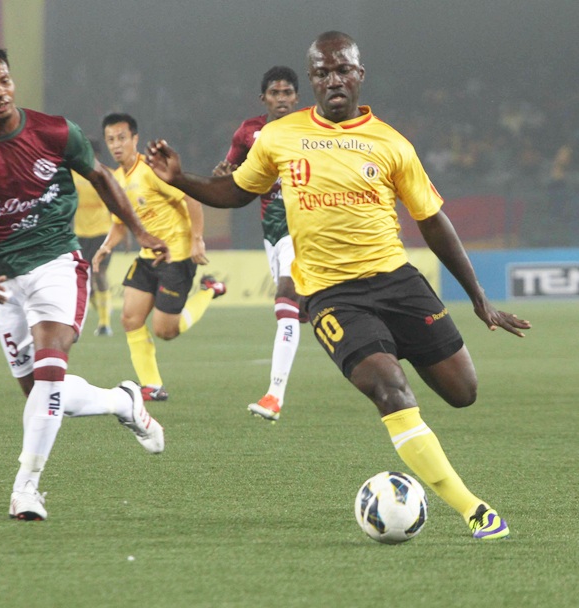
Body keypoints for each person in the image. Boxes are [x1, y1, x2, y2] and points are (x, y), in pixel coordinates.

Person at [145, 31, 532, 540]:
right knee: (391, 390)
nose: (334, 80)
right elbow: (237, 191)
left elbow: (433, 220)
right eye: (323, 72)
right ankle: (474, 509)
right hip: (332, 294)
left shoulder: (392, 142)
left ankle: (412, 381)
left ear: (359, 74)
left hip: (397, 280)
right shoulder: (280, 136)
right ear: (312, 80)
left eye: (342, 70)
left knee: (464, 392)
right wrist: (180, 178)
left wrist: (479, 297)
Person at [0, 43, 169, 522]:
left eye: (4, 81)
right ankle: (121, 401)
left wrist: (139, 229)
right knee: (42, 390)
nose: (0, 92)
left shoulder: (54, 131)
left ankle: (26, 488)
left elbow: (101, 178)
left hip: (56, 262)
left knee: (50, 368)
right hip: (0, 279)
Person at [93, 113, 226, 402]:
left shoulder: (152, 171)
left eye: (122, 138)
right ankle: (152, 386)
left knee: (166, 330)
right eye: (111, 140)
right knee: (130, 318)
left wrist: (197, 240)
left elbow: (190, 198)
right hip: (147, 256)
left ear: (135, 139)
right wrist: (106, 246)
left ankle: (208, 290)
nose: (117, 145)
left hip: (177, 256)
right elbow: (119, 223)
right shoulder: (115, 180)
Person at [213, 66, 302, 422]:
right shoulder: (249, 132)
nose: (281, 99)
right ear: (263, 98)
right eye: (275, 93)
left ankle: (274, 395)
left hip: (306, 225)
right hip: (273, 228)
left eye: (287, 93)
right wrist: (223, 179)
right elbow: (231, 178)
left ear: (297, 97)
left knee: (286, 300)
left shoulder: (310, 128)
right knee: (302, 308)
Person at [73, 139, 114, 337]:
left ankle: (105, 323)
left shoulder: (106, 174)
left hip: (102, 232)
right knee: (83, 279)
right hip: (80, 234)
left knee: (100, 274)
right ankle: (104, 311)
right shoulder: (73, 174)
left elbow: (117, 204)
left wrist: (123, 233)